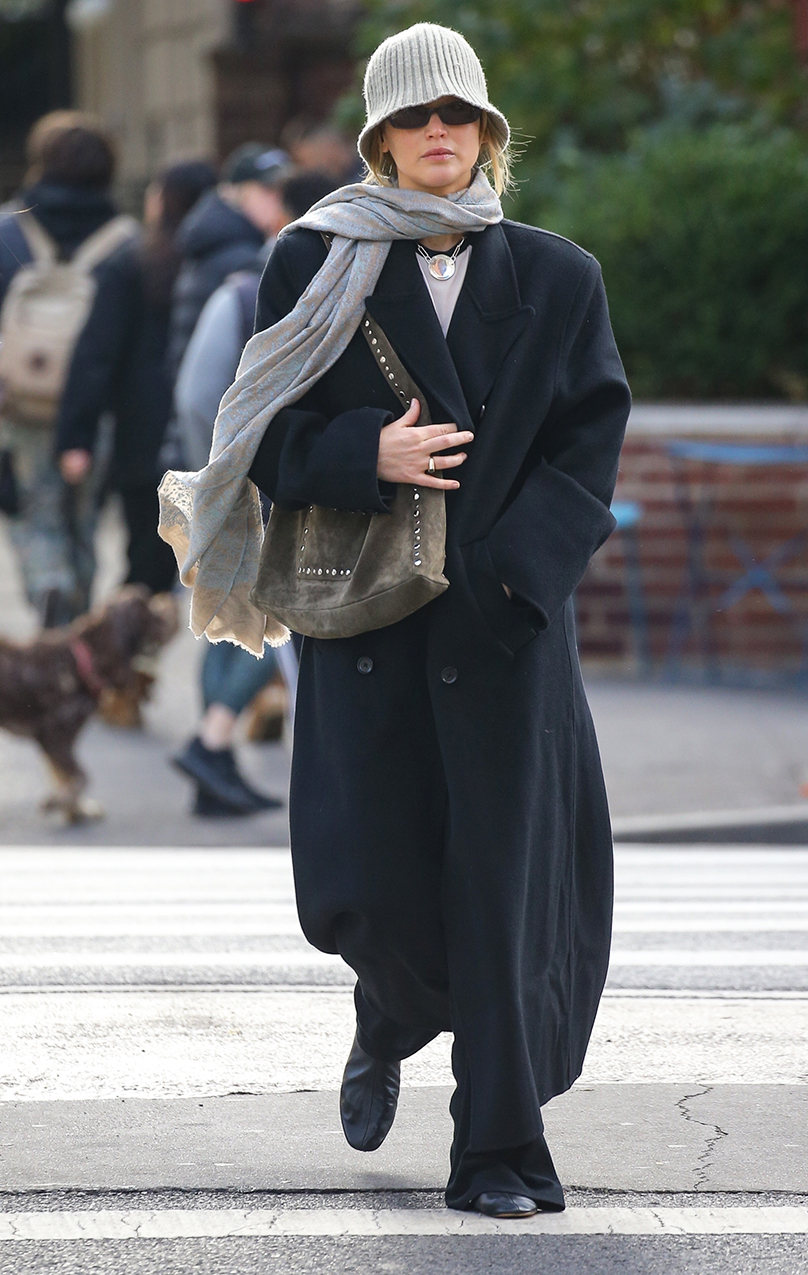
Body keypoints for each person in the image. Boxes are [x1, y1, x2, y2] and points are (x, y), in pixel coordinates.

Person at [159, 23, 630, 1216]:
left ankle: (499, 1148)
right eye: (414, 118)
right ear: (377, 138)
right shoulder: (313, 261)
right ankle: (386, 1013)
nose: (438, 133)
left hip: (502, 629)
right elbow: (256, 436)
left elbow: (587, 447)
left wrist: (519, 579)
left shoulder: (558, 274)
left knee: (504, 891)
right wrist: (360, 453)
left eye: (458, 116)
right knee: (373, 881)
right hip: (367, 627)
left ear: (485, 135)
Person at [167, 169, 318, 816]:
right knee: (281, 613)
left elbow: (195, 391)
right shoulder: (262, 286)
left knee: (226, 611)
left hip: (229, 475)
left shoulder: (239, 279)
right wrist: (234, 470)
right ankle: (212, 741)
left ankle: (214, 767)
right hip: (255, 482)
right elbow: (202, 395)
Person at [56, 160, 217, 596]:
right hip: (210, 438)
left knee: (147, 564)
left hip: (143, 441)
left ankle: (130, 654)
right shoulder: (223, 266)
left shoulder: (133, 265)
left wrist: (77, 436)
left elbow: (96, 356)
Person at [0, 111, 136, 627]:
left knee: (36, 522)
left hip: (20, 410)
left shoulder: (8, 231)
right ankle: (76, 622)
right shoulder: (122, 242)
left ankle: (48, 591)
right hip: (95, 413)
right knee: (85, 526)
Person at [166, 143, 291, 384]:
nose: (278, 199)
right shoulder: (240, 257)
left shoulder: (224, 238)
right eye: (267, 189)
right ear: (234, 192)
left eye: (282, 190)